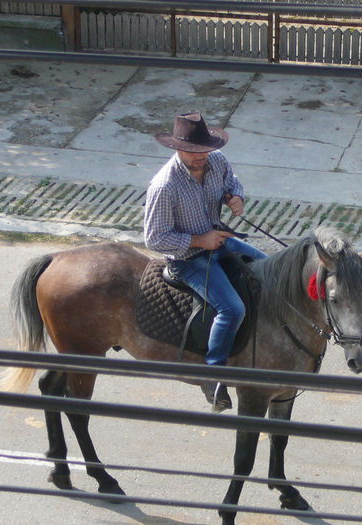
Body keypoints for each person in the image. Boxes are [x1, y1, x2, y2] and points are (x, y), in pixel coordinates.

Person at [144, 111, 266, 413]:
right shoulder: (164, 186)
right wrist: (200, 241)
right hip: (187, 259)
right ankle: (213, 375)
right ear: (176, 148)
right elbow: (155, 239)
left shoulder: (217, 161)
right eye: (193, 152)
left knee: (269, 271)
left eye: (204, 151)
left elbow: (232, 182)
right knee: (231, 307)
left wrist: (235, 198)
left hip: (219, 240)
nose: (200, 157)